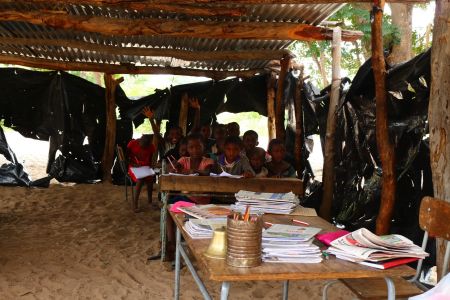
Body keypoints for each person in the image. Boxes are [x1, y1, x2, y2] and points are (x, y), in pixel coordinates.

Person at [126, 134, 156, 212]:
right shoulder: (132, 144)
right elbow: (126, 158)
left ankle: (150, 201)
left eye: (147, 146)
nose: (145, 148)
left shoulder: (151, 146)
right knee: (140, 179)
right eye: (143, 146)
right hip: (133, 166)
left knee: (151, 177)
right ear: (140, 140)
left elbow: (150, 160)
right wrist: (133, 164)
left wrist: (149, 168)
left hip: (144, 167)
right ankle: (135, 203)